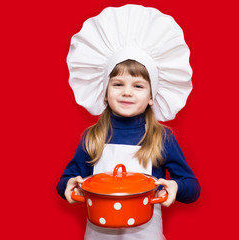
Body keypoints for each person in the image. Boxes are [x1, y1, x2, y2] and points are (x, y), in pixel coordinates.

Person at [57, 4, 200, 239]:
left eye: (138, 86)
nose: (127, 92)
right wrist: (69, 185)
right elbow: (65, 181)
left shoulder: (161, 138)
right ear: (105, 91)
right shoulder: (92, 137)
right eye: (118, 84)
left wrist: (175, 186)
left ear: (153, 96)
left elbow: (192, 188)